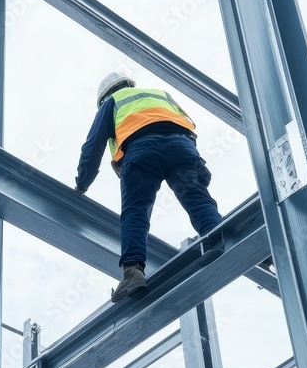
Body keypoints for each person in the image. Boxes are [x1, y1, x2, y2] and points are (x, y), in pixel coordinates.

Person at [75, 72, 223, 302]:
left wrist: (82, 184)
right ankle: (220, 237)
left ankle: (133, 273)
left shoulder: (112, 103)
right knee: (198, 200)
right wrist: (199, 167)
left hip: (142, 151)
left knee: (136, 211)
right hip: (181, 148)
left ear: (104, 97)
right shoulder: (160, 94)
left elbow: (93, 146)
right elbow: (186, 129)